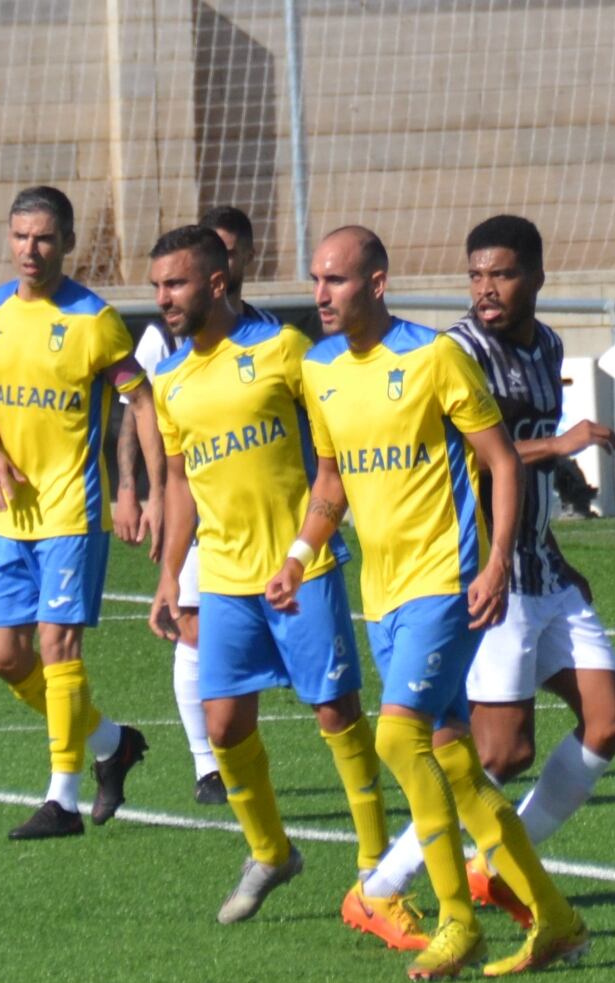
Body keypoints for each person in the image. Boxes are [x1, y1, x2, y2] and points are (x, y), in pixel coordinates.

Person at [266, 226, 589, 980]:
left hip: (445, 579)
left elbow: (501, 460)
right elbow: (331, 484)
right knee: (457, 763)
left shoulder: (433, 356)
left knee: (396, 740)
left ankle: (455, 919)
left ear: (377, 283)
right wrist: (297, 557)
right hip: (380, 592)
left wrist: (498, 558)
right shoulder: (318, 370)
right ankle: (557, 919)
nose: (320, 295)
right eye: (316, 280)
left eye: (337, 281)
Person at [355, 214, 615, 930]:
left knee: (609, 723)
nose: (486, 289)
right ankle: (380, 887)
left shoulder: (547, 343)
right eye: (477, 275)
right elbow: (489, 453)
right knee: (498, 754)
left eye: (502, 274)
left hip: (543, 567)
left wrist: (564, 510)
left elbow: (528, 453)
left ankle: (500, 870)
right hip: (488, 571)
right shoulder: (456, 351)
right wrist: (562, 442)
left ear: (537, 277)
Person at [142, 225, 394, 926]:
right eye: (158, 286)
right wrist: (170, 572)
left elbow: (331, 448)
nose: (163, 298)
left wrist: (316, 532)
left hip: (299, 566)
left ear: (216, 283)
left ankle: (375, 861)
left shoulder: (282, 350)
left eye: (176, 284)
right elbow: (183, 480)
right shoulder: (170, 379)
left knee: (335, 711)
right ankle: (271, 850)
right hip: (222, 576)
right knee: (222, 727)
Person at [0, 186, 152, 840]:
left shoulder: (94, 320)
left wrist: (137, 488)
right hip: (9, 514)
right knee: (4, 657)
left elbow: (141, 400)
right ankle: (112, 741)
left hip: (74, 510)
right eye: (20, 236)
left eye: (44, 238)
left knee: (56, 646)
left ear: (67, 244)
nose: (30, 249)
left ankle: (62, 800)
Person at [117, 206, 278, 805]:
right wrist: (140, 489)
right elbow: (142, 416)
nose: (228, 262)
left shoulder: (268, 333)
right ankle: (207, 765)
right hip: (192, 507)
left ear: (240, 260)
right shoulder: (165, 336)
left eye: (234, 251)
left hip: (263, 520)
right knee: (191, 627)